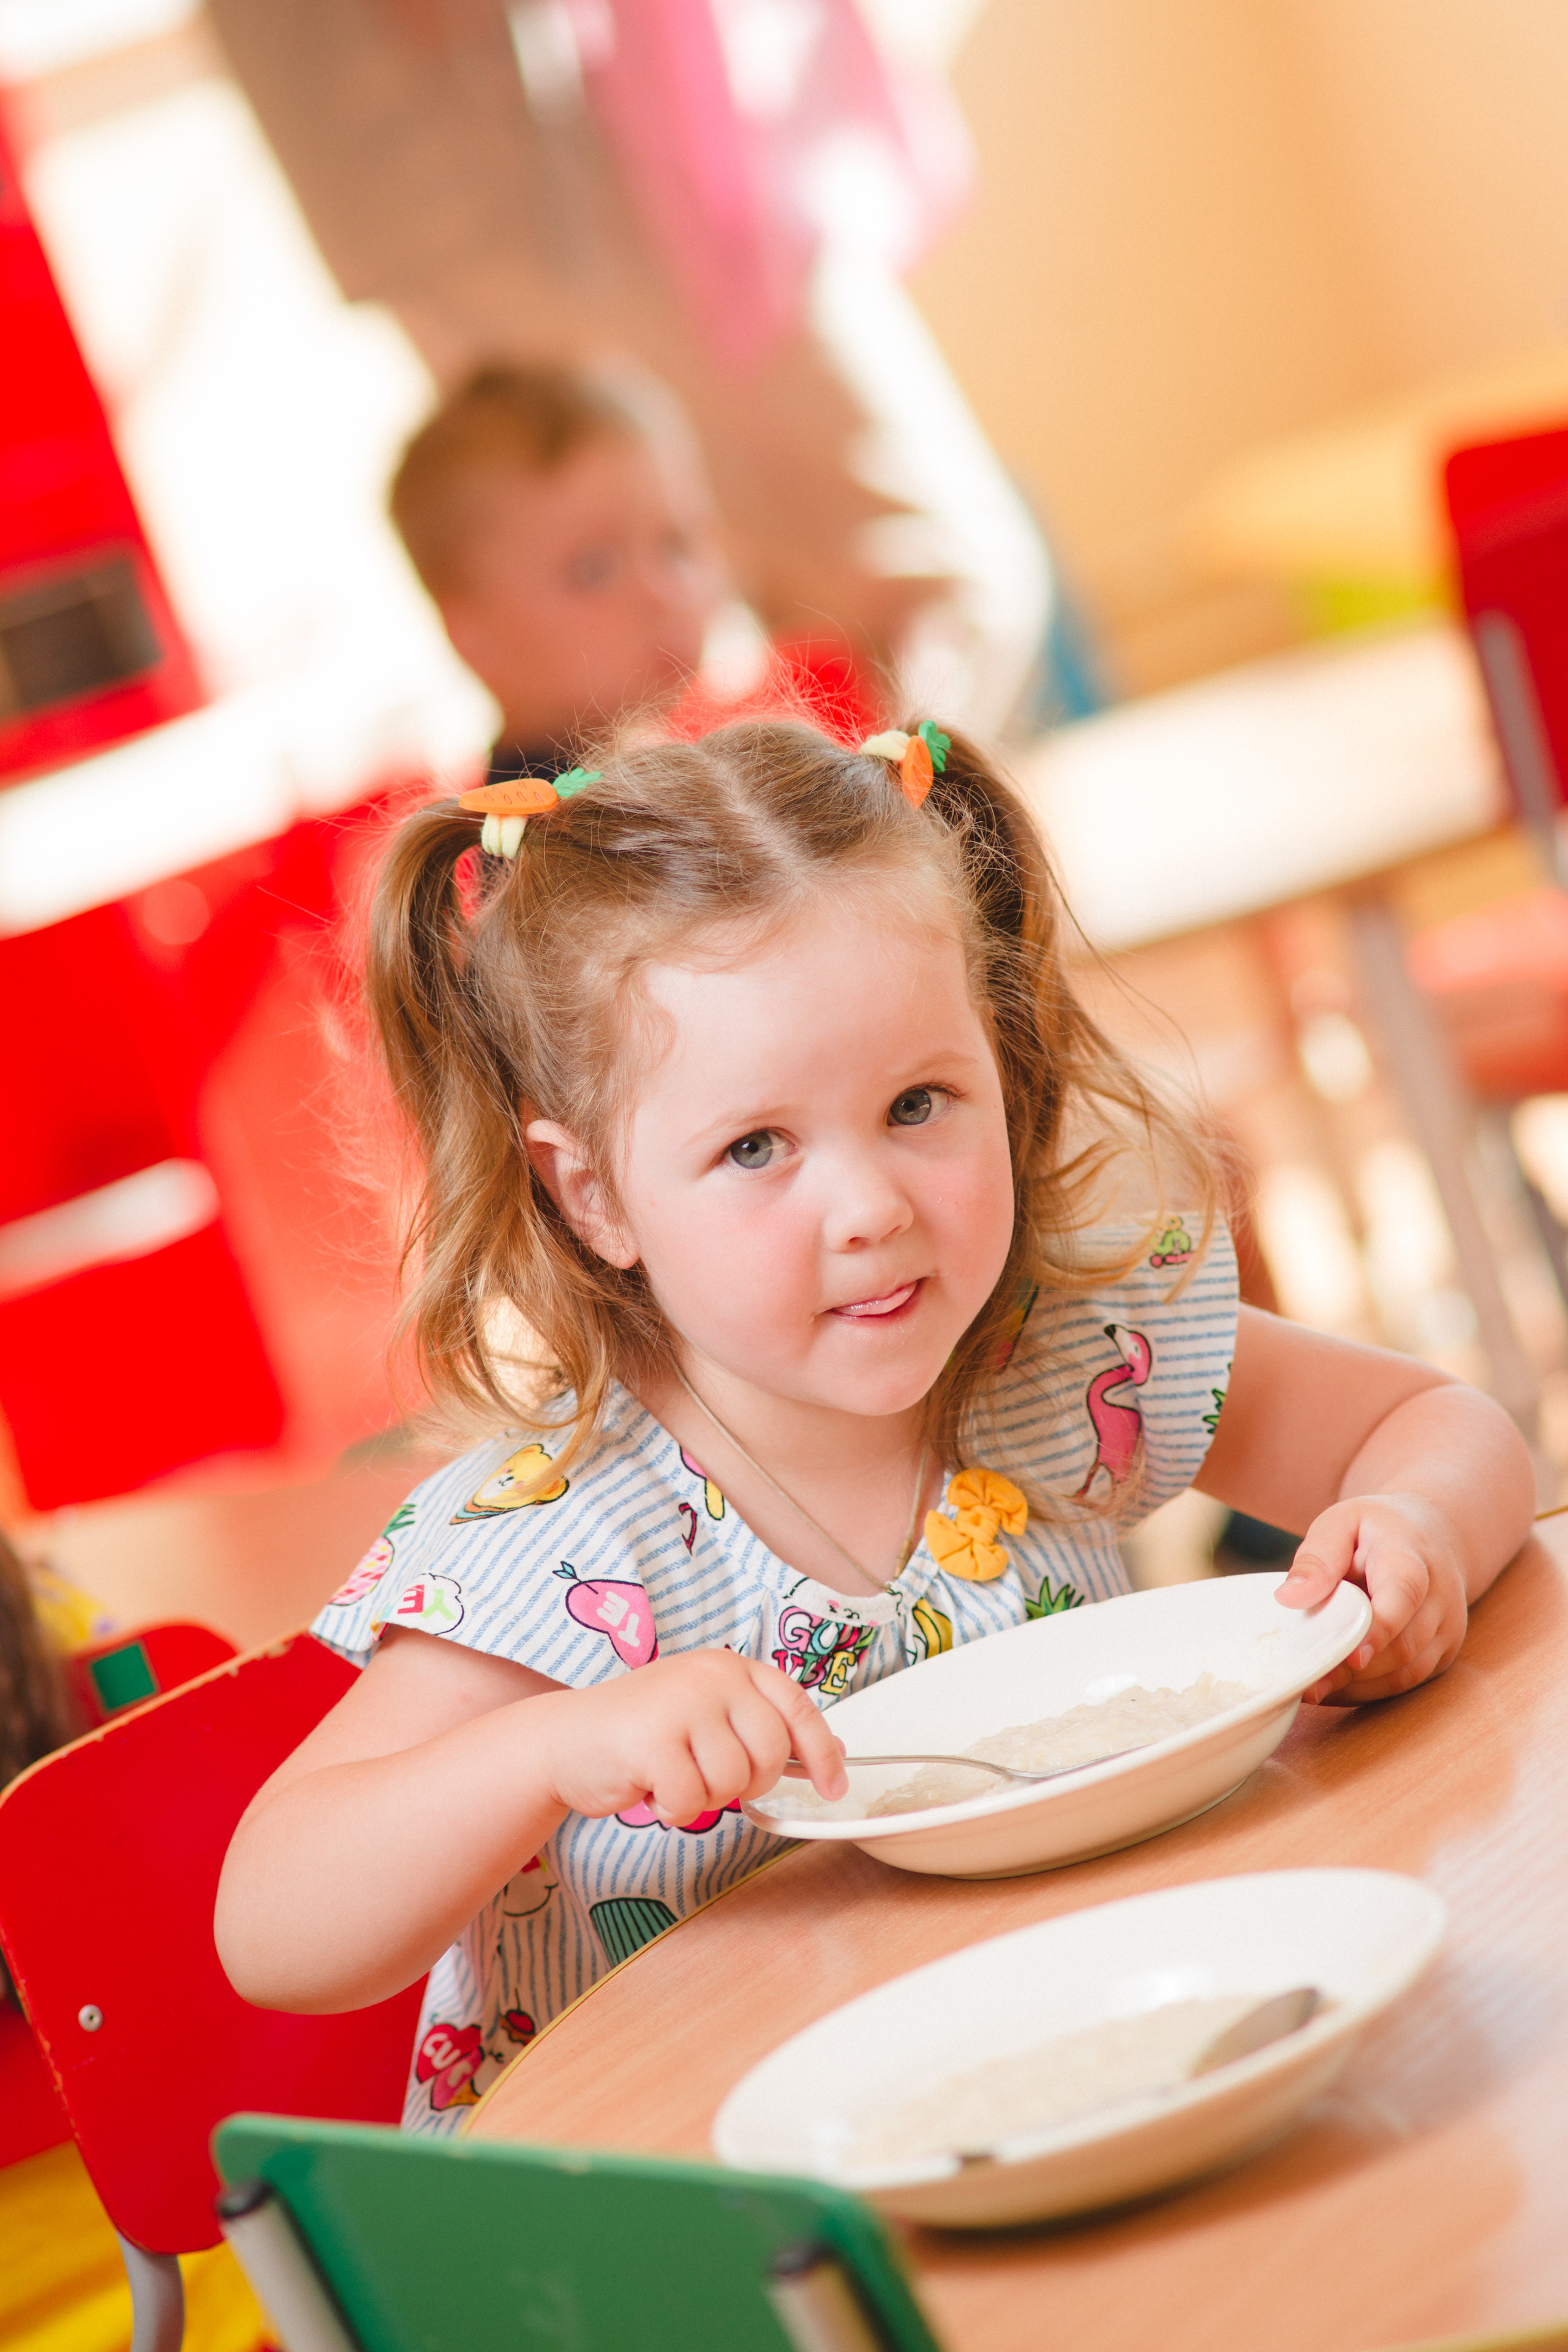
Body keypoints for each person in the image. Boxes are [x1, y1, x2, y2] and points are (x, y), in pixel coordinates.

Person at [216, 718, 1534, 2130]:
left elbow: (1439, 1424)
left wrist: (1409, 1536)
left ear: (998, 1065)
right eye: (755, 1147)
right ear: (592, 1194)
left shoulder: (1052, 1354)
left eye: (916, 1103)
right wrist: (548, 1750)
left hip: (1048, 2071)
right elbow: (272, 1923)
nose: (869, 1207)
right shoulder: (560, 1539)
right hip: (691, 2193)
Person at [389, 363, 726, 786]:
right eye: (593, 571)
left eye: (676, 545)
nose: (663, 595)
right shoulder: (546, 822)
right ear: (474, 639)